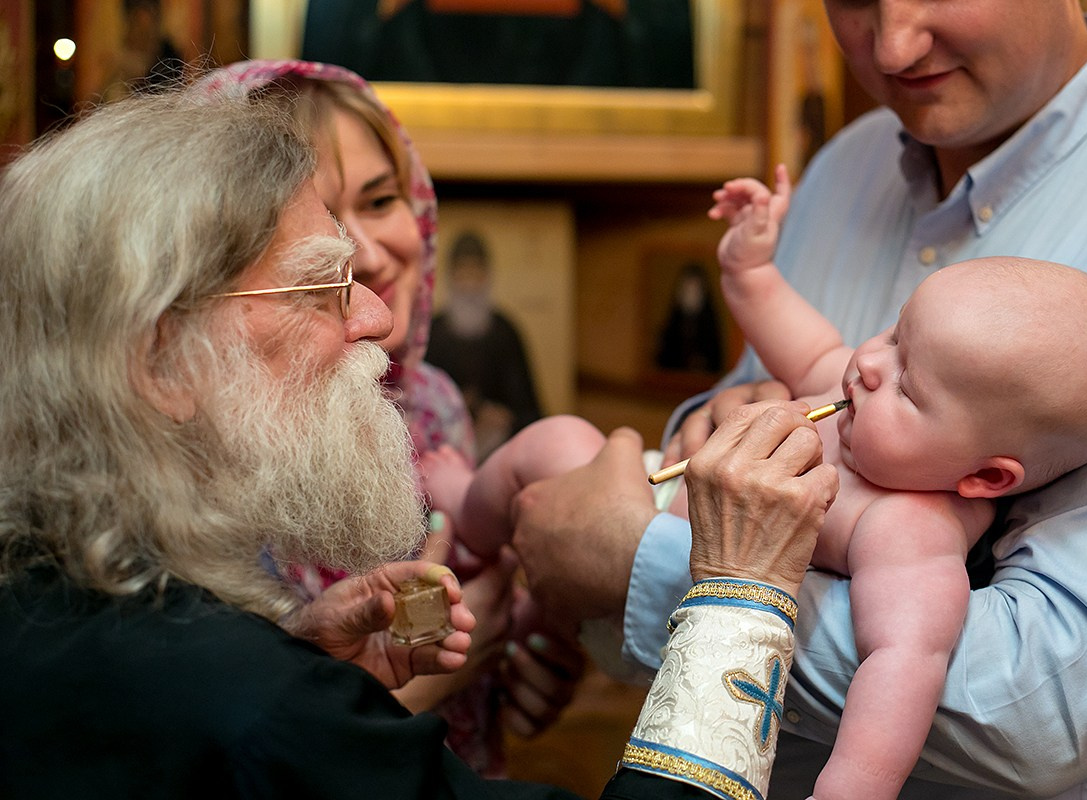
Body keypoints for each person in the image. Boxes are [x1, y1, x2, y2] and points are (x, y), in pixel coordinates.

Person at [0, 86, 839, 799]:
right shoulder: (256, 709)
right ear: (163, 359)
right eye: (322, 284)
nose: (377, 316)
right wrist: (740, 595)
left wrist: (312, 675)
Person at [508, 4, 1087, 798]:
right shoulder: (848, 164)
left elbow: (1042, 711)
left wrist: (633, 565)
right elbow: (756, 395)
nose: (894, 46)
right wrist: (705, 438)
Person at [425, 243, 1087, 800]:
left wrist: (854, 788)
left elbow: (903, 667)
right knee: (557, 438)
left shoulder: (908, 528)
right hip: (644, 513)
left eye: (908, 384)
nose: (867, 365)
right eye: (894, 334)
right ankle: (479, 538)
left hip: (672, 618)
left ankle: (476, 541)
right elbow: (807, 345)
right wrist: (751, 270)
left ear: (985, 476)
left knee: (554, 449)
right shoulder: (863, 398)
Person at [196, 59, 578, 775]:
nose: (368, 255)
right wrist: (447, 672)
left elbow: (473, 627)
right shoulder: (224, 442)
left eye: (379, 201)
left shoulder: (433, 403)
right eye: (322, 227)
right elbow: (242, 748)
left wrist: (520, 670)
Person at [427, 230, 544, 460]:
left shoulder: (505, 332)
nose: (469, 284)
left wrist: (505, 417)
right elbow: (418, 401)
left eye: (476, 273)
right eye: (463, 273)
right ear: (451, 277)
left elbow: (530, 411)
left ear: (487, 276)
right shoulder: (434, 332)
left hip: (498, 449)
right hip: (443, 448)